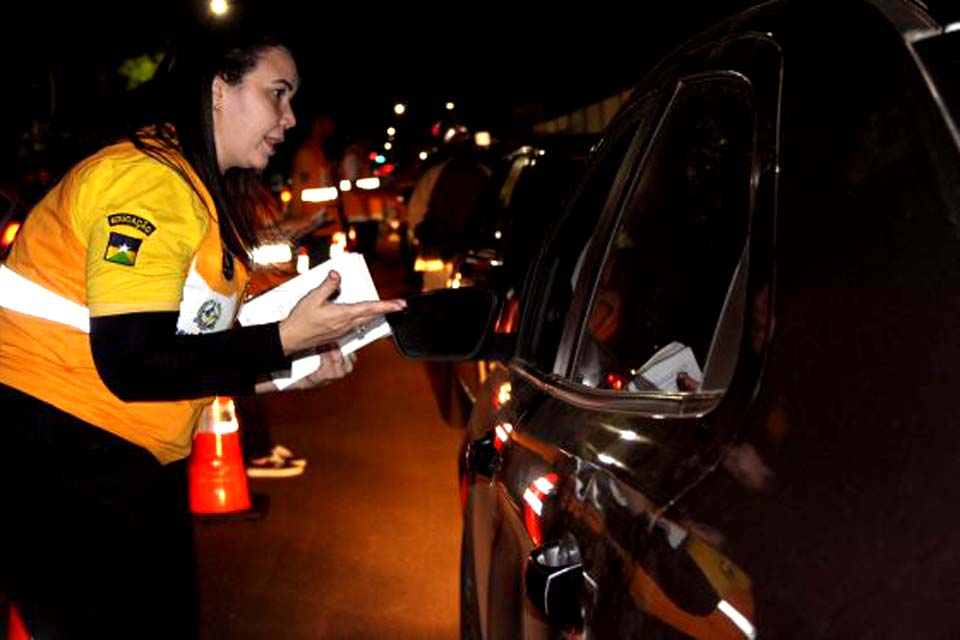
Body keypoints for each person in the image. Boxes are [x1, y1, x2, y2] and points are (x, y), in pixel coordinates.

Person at [0, 27, 405, 639]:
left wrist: (282, 374)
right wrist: (281, 342)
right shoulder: (149, 183)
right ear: (219, 88)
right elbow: (134, 362)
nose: (290, 118)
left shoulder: (193, 194)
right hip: (66, 466)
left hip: (112, 461)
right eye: (278, 93)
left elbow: (181, 355)